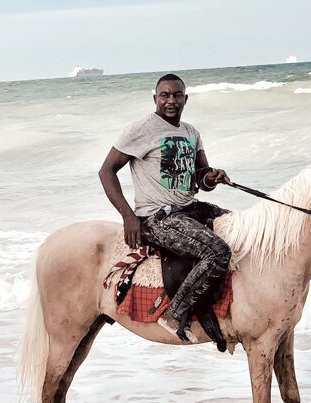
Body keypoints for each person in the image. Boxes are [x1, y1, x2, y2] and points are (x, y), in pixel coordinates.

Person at [98, 73, 231, 341]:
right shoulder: (141, 129)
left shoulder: (191, 132)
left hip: (189, 208)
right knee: (218, 252)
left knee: (240, 225)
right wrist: (128, 216)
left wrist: (211, 177)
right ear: (155, 98)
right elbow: (106, 171)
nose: (171, 101)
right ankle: (175, 313)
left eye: (177, 95)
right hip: (157, 217)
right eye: (165, 95)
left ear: (185, 98)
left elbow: (200, 178)